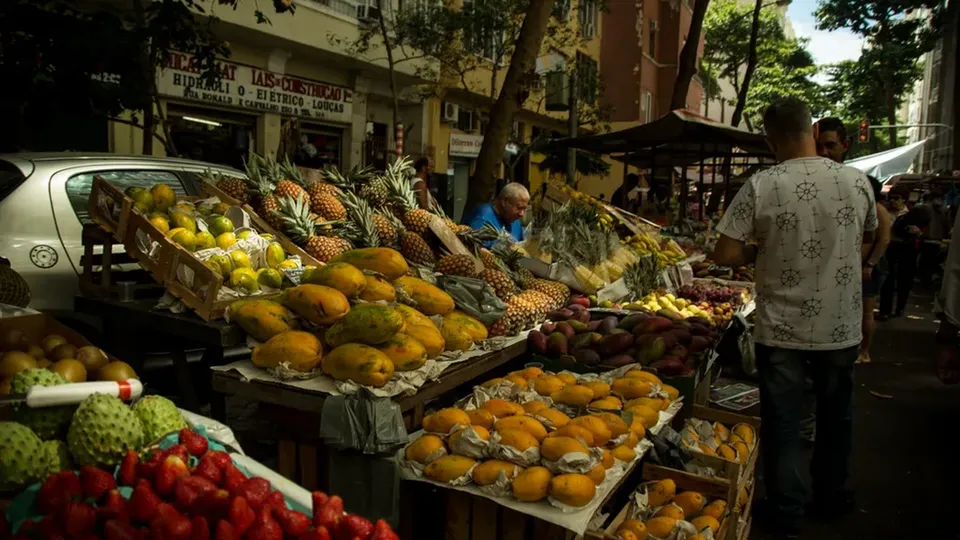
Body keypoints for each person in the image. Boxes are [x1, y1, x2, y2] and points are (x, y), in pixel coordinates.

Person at [711, 99, 876, 538]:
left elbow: (724, 252)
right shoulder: (857, 182)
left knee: (783, 421)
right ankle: (833, 496)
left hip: (781, 328)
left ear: (770, 140)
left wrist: (759, 250)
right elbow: (871, 233)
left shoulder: (764, 184)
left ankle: (786, 509)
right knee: (836, 415)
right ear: (814, 128)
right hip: (840, 326)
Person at [814, 117, 892, 364]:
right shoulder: (809, 183)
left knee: (862, 314)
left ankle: (863, 351)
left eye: (830, 145)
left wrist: (863, 265)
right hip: (821, 281)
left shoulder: (860, 186)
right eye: (819, 147)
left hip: (857, 274)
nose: (824, 153)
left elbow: (877, 236)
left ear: (845, 145)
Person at [878, 204, 930, 320]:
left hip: (894, 250)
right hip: (905, 252)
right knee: (903, 282)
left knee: (890, 281)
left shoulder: (904, 218)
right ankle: (898, 309)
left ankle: (886, 311)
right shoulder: (908, 221)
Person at [463, 183, 530, 244]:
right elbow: (475, 249)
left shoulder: (514, 219)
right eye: (519, 208)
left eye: (524, 209)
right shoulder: (482, 219)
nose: (522, 214)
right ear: (504, 202)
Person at [915, 192, 948, 285]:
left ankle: (923, 280)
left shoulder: (924, 208)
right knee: (932, 262)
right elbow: (947, 225)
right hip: (937, 240)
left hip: (926, 239)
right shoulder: (945, 209)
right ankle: (927, 280)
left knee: (924, 261)